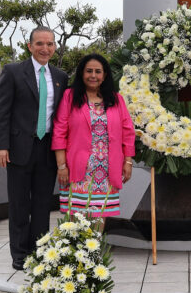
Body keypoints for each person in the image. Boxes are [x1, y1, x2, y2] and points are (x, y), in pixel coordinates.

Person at [0, 26, 69, 270]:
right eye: (39, 44)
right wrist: (1, 146)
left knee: (42, 203)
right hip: (17, 148)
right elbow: (2, 112)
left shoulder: (60, 77)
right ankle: (19, 253)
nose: (44, 49)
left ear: (55, 47)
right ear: (29, 46)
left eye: (49, 44)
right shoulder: (13, 72)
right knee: (18, 203)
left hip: (47, 148)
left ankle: (39, 249)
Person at [52, 53, 136, 228]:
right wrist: (61, 166)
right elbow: (59, 131)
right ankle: (77, 255)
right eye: (89, 71)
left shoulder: (116, 99)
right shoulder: (70, 96)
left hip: (106, 171)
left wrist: (128, 161)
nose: (93, 75)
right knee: (77, 220)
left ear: (104, 75)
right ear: (82, 73)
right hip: (77, 170)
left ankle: (94, 254)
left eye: (98, 71)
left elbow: (128, 132)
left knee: (99, 218)